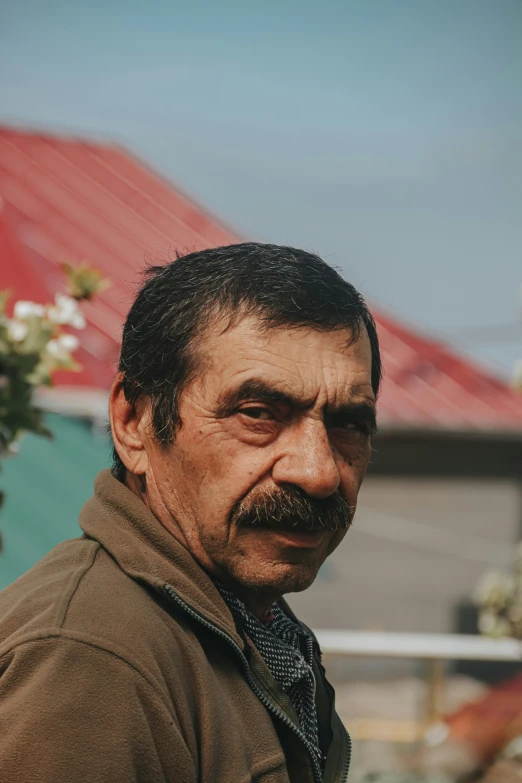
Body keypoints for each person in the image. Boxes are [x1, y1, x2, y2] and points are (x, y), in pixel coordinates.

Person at [0, 243, 381, 783]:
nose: (318, 472)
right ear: (133, 422)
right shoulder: (89, 659)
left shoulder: (237, 624)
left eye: (347, 424)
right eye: (257, 414)